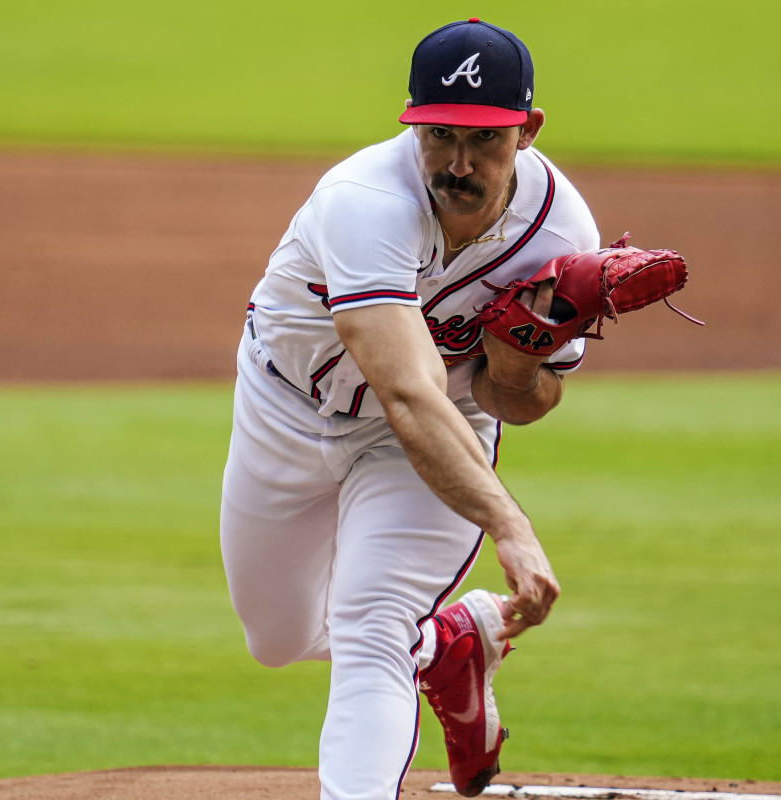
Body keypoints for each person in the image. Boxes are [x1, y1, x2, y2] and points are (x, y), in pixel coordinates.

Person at [219, 18, 601, 800]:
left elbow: (517, 404)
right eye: (439, 136)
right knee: (276, 638)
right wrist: (511, 525)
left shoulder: (563, 234)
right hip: (287, 407)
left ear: (527, 132)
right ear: (410, 119)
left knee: (370, 627)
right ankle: (452, 642)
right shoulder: (363, 200)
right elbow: (404, 389)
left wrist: (519, 365)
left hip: (431, 440)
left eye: (485, 140)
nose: (458, 164)